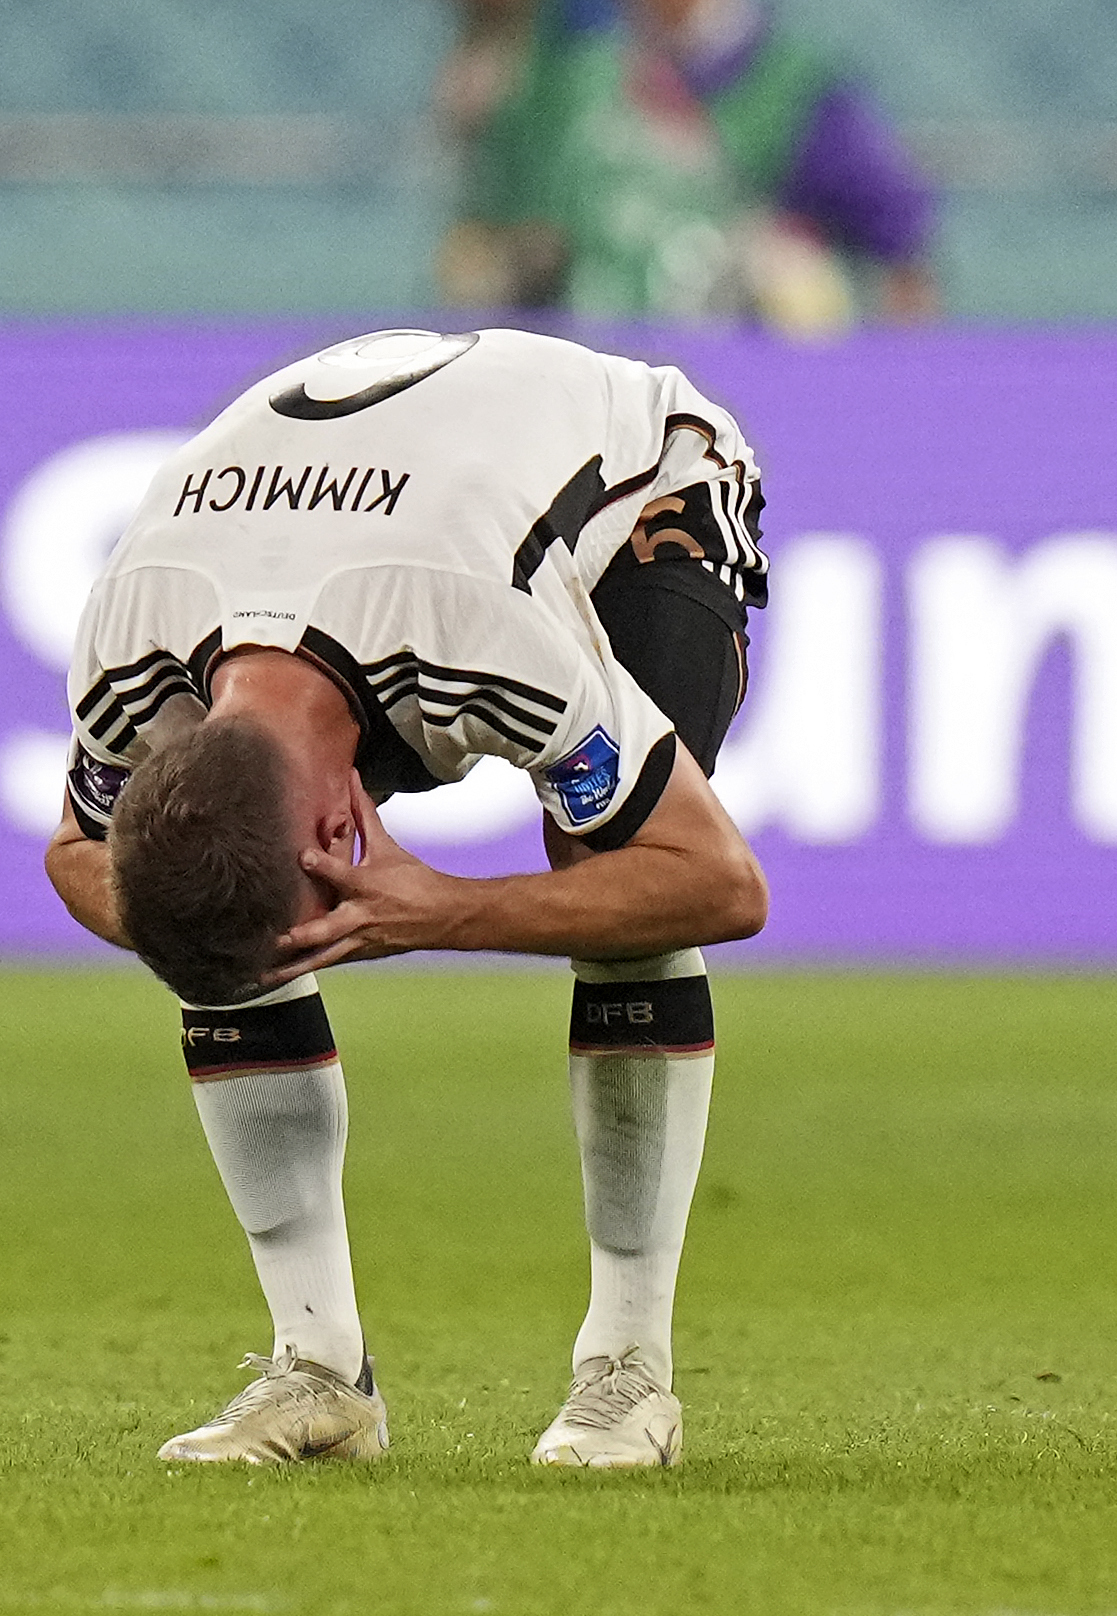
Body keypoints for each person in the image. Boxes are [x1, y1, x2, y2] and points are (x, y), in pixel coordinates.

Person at [43, 327, 771, 1467]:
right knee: (215, 892)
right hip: (368, 519)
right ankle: (316, 1373)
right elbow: (77, 849)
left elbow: (716, 880)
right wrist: (203, 932)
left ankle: (627, 1373)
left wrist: (442, 907)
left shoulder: (475, 631)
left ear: (346, 820)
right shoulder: (131, 651)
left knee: (610, 873)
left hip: (637, 491)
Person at [440, 0, 939, 334]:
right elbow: (487, 237)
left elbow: (903, 258)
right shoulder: (570, 70)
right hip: (584, 373)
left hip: (739, 386)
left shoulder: (794, 85)